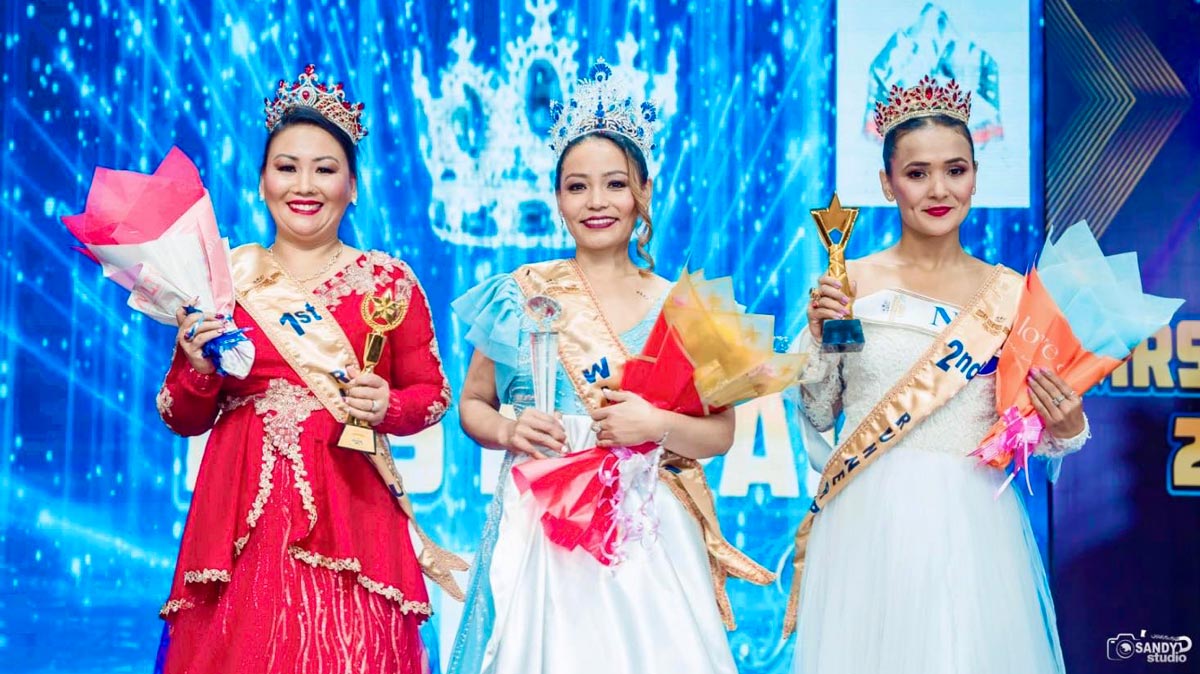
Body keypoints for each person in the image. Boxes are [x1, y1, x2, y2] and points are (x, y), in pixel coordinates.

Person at [446, 60, 772, 674]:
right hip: (545, 520)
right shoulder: (521, 292)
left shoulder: (684, 308)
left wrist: (653, 423)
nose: (597, 202)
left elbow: (720, 436)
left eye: (615, 185)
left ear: (642, 193)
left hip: (647, 532)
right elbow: (473, 404)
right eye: (577, 186)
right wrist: (510, 431)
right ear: (558, 199)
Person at [154, 64, 460, 674]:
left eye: (326, 169)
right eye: (287, 167)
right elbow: (180, 414)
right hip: (243, 513)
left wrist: (388, 406)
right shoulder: (224, 279)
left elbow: (432, 394)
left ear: (352, 186)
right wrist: (196, 367)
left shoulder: (387, 281)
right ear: (262, 182)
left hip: (352, 505)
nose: (305, 184)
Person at [785, 76, 1090, 674]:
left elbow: (1032, 429)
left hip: (972, 521)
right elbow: (820, 412)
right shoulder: (849, 284)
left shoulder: (1010, 295)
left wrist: (1066, 421)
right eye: (917, 173)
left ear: (976, 175)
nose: (939, 189)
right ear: (887, 182)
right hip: (868, 518)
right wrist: (819, 337)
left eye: (955, 170)